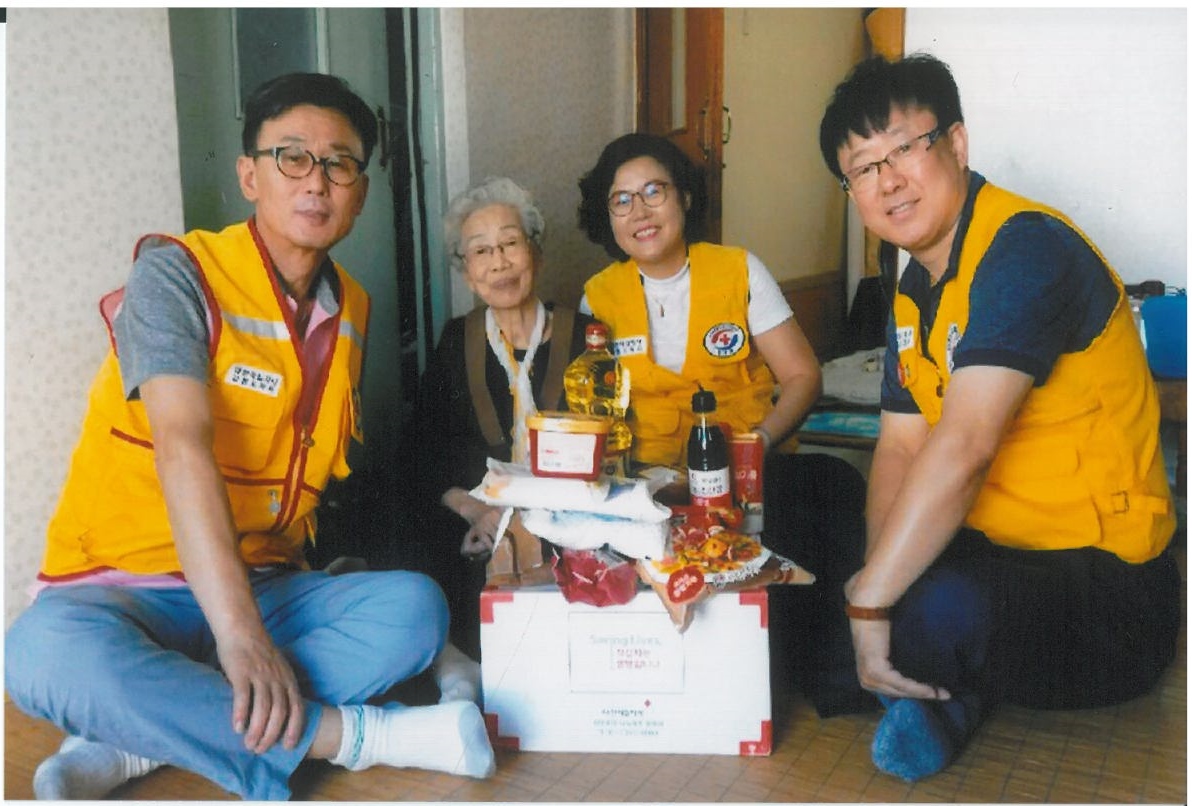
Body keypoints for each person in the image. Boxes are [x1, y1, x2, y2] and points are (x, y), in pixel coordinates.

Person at [4, 72, 495, 801]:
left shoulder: (352, 308)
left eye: (339, 164)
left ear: (360, 192)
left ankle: (138, 740)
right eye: (292, 157)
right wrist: (240, 638)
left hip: (265, 581)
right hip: (124, 586)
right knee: (39, 655)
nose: (316, 180)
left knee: (414, 610)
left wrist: (266, 615)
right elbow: (181, 446)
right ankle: (358, 738)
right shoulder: (176, 275)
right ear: (249, 175)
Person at [818, 53, 1182, 782]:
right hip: (990, 551)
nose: (887, 181)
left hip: (1105, 588)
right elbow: (900, 447)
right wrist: (873, 587)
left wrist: (873, 606)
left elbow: (966, 445)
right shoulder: (911, 289)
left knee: (922, 611)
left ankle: (930, 687)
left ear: (956, 144)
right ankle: (926, 679)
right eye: (862, 168)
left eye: (903, 149)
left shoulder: (1025, 247)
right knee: (818, 523)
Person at [575, 132, 873, 716]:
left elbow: (802, 377)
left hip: (746, 469)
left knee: (832, 487)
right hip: (650, 481)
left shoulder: (738, 270)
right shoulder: (598, 297)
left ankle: (829, 676)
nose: (640, 211)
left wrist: (759, 443)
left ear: (684, 197)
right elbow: (595, 407)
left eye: (655, 191)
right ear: (607, 217)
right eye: (621, 200)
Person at [410, 176, 596, 660]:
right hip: (482, 514)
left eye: (511, 243)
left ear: (535, 253)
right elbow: (425, 448)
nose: (499, 262)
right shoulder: (457, 340)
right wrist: (476, 511)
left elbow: (609, 448)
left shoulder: (586, 337)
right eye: (481, 251)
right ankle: (459, 668)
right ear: (467, 272)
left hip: (569, 516)